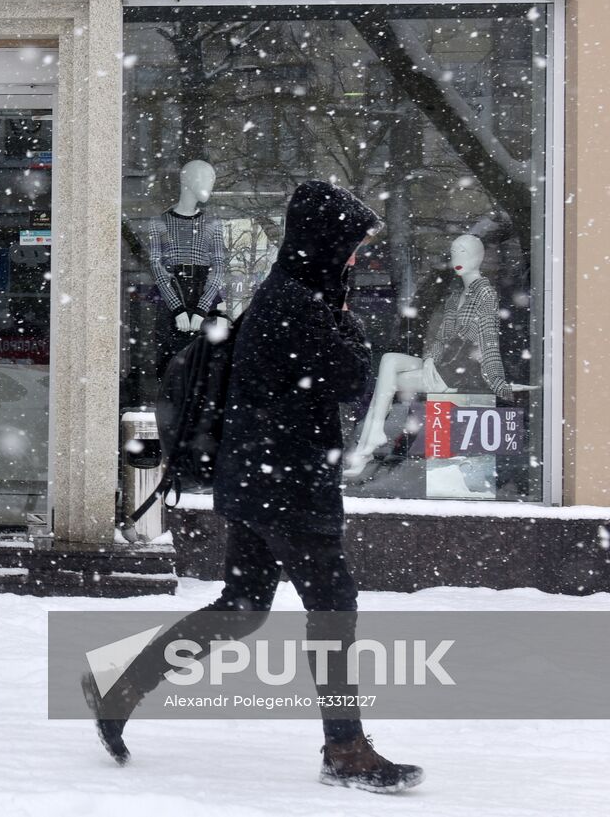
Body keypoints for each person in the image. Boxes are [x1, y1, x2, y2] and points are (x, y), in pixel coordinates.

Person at [84, 180, 423, 794]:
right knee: (332, 603)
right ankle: (344, 747)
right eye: (348, 248)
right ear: (322, 245)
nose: (352, 260)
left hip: (261, 479)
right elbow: (351, 376)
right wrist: (348, 322)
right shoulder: (296, 302)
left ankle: (121, 683)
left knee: (242, 608)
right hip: (285, 483)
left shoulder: (285, 296)